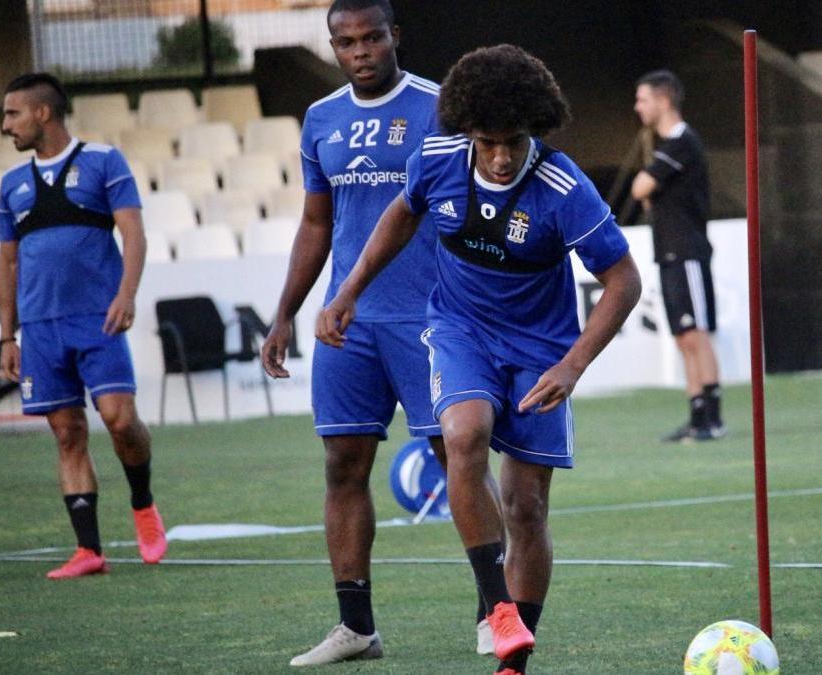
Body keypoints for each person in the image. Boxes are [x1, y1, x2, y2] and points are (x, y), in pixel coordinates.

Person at [316, 44, 642, 675]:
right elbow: (398, 216)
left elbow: (623, 282)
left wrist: (573, 365)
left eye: (513, 142)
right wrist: (348, 290)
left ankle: (511, 665)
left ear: (534, 131)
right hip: (461, 330)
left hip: (541, 351)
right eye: (487, 141)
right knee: (463, 434)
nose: (499, 157)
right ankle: (498, 612)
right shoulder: (436, 160)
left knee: (527, 507)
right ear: (465, 129)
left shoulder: (563, 186)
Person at [260, 0, 498, 666]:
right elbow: (316, 224)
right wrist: (285, 312)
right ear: (333, 46)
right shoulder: (321, 119)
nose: (361, 51)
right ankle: (356, 627)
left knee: (461, 458)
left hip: (432, 317)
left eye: (372, 37)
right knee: (342, 465)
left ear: (396, 36)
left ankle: (493, 610)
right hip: (350, 323)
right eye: (346, 41)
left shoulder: (440, 107)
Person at [0, 72, 166, 579]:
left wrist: (126, 294)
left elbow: (133, 233)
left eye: (12, 114)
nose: (6, 126)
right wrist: (9, 335)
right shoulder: (12, 185)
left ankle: (143, 504)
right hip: (41, 330)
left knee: (119, 420)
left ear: (42, 113)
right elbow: (7, 264)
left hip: (98, 320)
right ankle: (89, 550)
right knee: (67, 431)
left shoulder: (103, 163)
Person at [631, 70, 726, 443]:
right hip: (669, 252)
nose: (638, 107)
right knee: (683, 337)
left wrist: (648, 188)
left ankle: (713, 418)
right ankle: (696, 413)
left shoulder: (681, 142)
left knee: (697, 335)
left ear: (663, 100)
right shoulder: (666, 146)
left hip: (687, 251)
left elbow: (642, 187)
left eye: (643, 99)